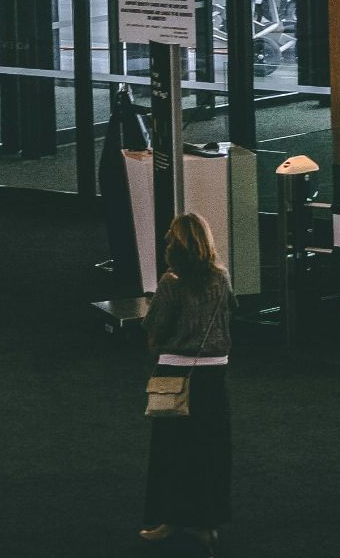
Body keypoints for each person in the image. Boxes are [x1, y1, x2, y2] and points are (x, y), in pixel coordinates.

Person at [140, 213, 234, 551]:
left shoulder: (171, 282)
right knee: (209, 451)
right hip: (214, 375)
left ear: (176, 245)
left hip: (176, 374)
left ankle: (169, 519)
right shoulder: (221, 279)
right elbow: (228, 316)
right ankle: (206, 524)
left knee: (171, 451)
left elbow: (154, 326)